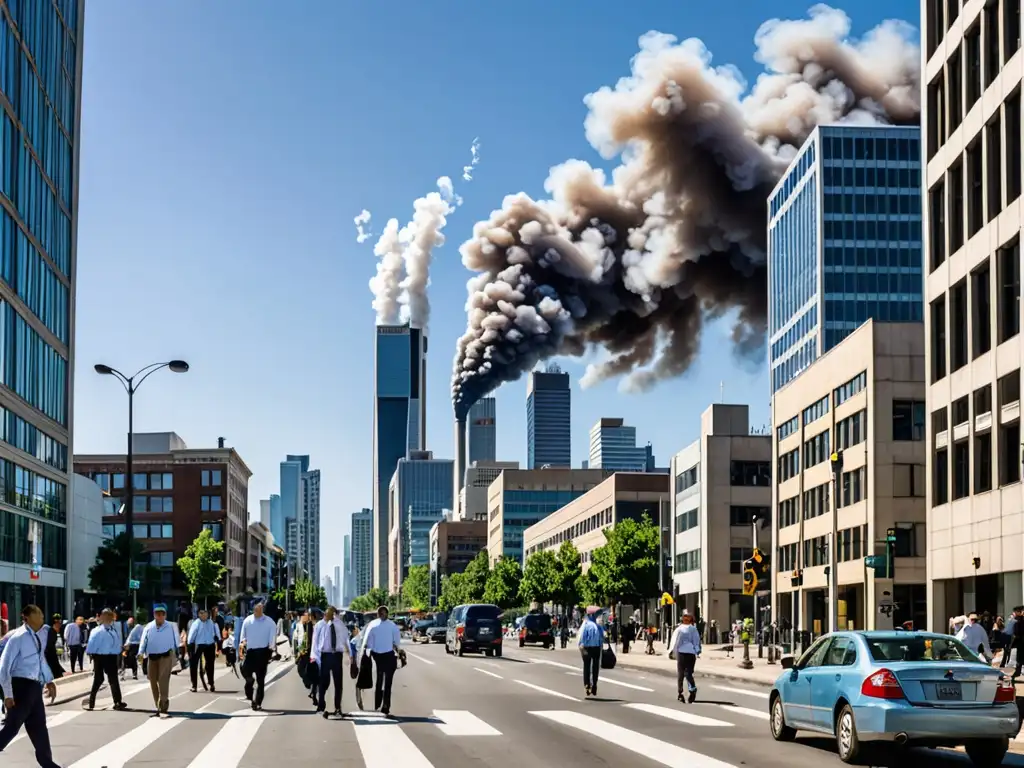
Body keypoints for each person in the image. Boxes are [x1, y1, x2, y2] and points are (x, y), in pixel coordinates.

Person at [0, 605, 60, 768]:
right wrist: (8, 695)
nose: (42, 616)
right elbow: (4, 668)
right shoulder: (18, 637)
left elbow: (40, 661)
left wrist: (48, 680)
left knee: (39, 727)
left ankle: (48, 764)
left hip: (34, 687)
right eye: (38, 614)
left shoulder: (37, 636)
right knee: (11, 728)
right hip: (20, 687)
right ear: (27, 617)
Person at [359, 605, 403, 717]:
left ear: (378, 614)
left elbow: (368, 643)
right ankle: (385, 706)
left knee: (379, 681)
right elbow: (397, 643)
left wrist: (365, 656)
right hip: (389, 656)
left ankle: (378, 704)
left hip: (377, 656)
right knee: (388, 683)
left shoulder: (372, 625)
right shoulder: (393, 626)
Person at [311, 607, 352, 719]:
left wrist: (350, 654)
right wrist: (314, 657)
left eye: (332, 614)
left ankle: (337, 707)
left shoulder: (339, 624)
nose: (329, 616)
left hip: (337, 655)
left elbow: (345, 639)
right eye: (327, 613)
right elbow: (315, 641)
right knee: (323, 683)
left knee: (338, 683)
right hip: (325, 655)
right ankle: (321, 706)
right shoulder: (320, 625)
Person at [138, 604, 178, 718]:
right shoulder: (149, 627)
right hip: (152, 656)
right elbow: (143, 640)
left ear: (165, 615)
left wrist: (177, 653)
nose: (160, 616)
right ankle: (158, 705)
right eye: (157, 614)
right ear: (154, 615)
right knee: (152, 680)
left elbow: (176, 640)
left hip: (166, 656)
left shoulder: (171, 626)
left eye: (162, 614)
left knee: (163, 680)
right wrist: (140, 653)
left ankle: (164, 705)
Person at [84, 609, 127, 712]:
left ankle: (117, 702)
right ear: (102, 618)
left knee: (113, 679)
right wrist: (90, 653)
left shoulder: (113, 630)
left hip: (111, 657)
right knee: (99, 679)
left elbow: (116, 643)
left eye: (110, 616)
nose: (109, 619)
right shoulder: (97, 630)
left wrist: (118, 651)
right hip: (99, 657)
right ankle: (91, 701)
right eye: (107, 616)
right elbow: (91, 644)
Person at [238, 601, 276, 711]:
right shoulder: (247, 621)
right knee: (247, 675)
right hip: (250, 653)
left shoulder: (270, 623)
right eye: (255, 609)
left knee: (260, 680)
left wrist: (271, 651)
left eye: (259, 609)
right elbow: (242, 638)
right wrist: (241, 648)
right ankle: (249, 691)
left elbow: (272, 640)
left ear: (262, 610)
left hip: (263, 653)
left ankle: (257, 702)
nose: (257, 611)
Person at [669, 610, 702, 703]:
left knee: (681, 674)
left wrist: (672, 651)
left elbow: (675, 642)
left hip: (682, 653)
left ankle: (681, 693)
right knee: (688, 673)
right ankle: (692, 689)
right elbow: (696, 641)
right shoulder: (693, 629)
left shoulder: (679, 629)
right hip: (691, 653)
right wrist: (697, 650)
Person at [187, 608, 218, 693]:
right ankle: (194, 685)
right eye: (203, 613)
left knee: (210, 664)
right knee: (193, 664)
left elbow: (215, 632)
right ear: (199, 614)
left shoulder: (210, 622)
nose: (205, 615)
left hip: (210, 644)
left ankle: (211, 683)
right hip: (198, 645)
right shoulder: (196, 623)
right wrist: (190, 645)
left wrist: (217, 639)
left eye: (206, 613)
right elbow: (191, 636)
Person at [577, 610, 604, 697]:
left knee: (587, 666)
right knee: (595, 667)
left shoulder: (586, 625)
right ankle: (594, 684)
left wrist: (581, 646)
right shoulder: (598, 626)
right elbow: (602, 637)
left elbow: (583, 637)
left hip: (587, 647)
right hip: (596, 647)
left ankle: (587, 684)